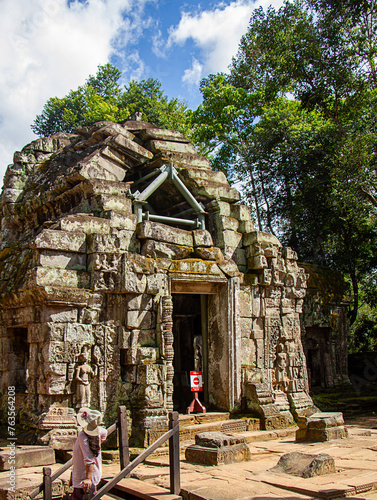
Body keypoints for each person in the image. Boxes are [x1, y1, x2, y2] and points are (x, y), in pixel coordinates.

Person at [72, 408, 107, 500]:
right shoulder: (98, 431)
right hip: (93, 474)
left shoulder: (82, 435)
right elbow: (105, 432)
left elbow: (89, 459)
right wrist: (97, 445)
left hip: (84, 476)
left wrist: (87, 478)